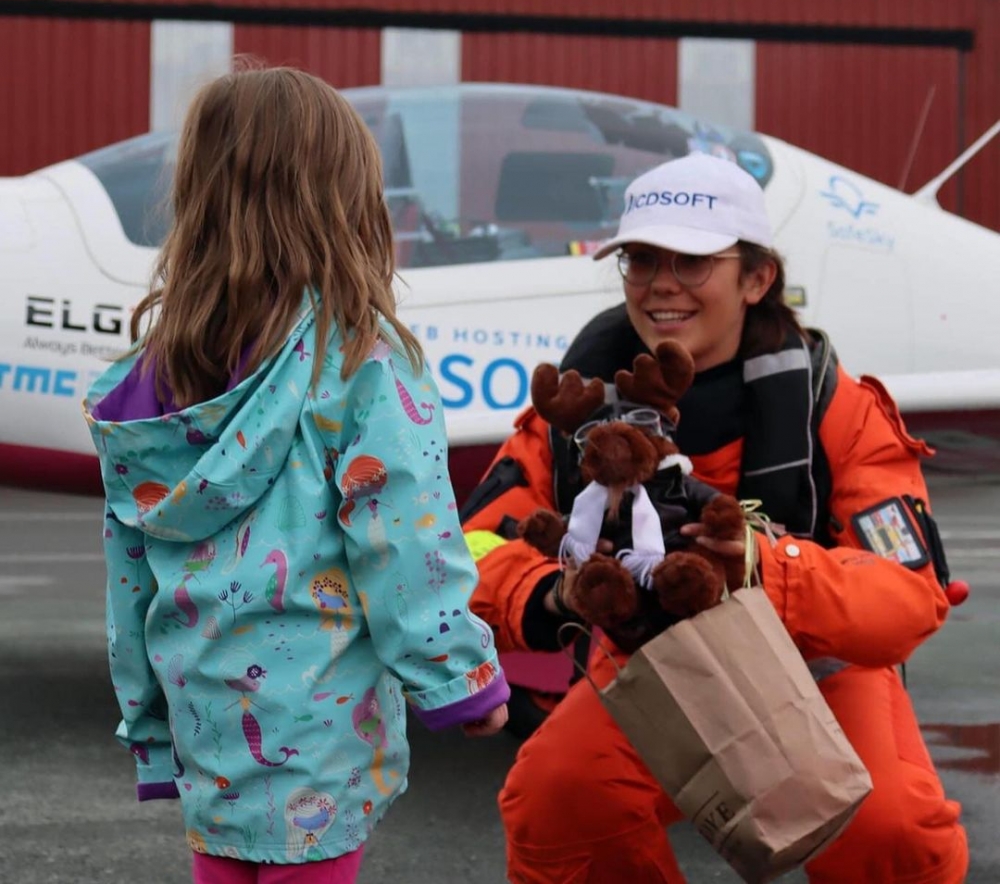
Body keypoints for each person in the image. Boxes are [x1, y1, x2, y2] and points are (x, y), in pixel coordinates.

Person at [461, 151, 968, 884]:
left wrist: (764, 568)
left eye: (693, 261)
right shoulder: (576, 414)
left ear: (756, 279)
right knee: (556, 798)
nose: (662, 283)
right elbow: (468, 547)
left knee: (889, 829)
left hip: (819, 671)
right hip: (650, 673)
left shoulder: (837, 409)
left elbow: (909, 596)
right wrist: (553, 594)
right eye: (641, 260)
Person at [82, 65, 509, 884]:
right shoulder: (363, 363)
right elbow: (405, 541)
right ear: (346, 201)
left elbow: (128, 569)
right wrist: (461, 677)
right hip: (320, 735)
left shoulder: (153, 378)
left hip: (205, 724)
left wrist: (147, 720)